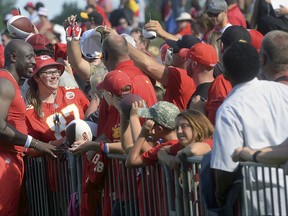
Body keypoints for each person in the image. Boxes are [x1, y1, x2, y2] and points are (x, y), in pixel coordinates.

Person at [210, 42, 288, 215]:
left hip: (262, 198)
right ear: (259, 62)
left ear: (225, 74)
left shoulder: (229, 108)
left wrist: (219, 193)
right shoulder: (283, 91)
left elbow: (225, 165)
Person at [0, 39, 57, 215]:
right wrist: (35, 143)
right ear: (14, 57)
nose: (34, 61)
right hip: (4, 159)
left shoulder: (10, 83)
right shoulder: (5, 83)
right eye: (30, 56)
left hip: (12, 157)